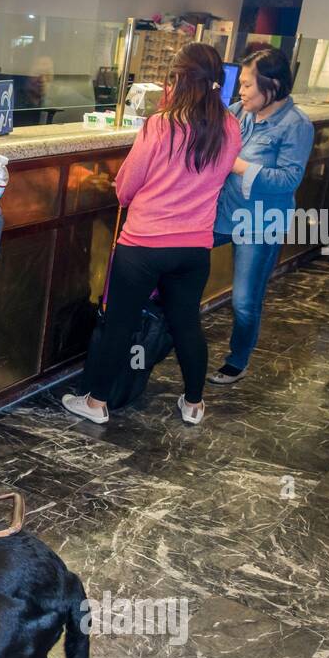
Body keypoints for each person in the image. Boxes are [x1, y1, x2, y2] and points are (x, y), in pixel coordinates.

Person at [63, 43, 241, 427]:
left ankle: (96, 403)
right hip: (194, 247)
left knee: (121, 323)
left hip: (143, 244)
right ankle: (193, 404)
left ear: (177, 78)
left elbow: (126, 187)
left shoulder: (161, 125)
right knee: (186, 322)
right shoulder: (230, 127)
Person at [208, 48, 314, 385]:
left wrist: (239, 166)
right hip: (224, 211)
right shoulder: (239, 112)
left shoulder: (296, 125)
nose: (240, 91)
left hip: (260, 222)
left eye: (248, 85)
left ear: (274, 85)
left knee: (244, 301)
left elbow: (288, 180)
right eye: (240, 84)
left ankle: (237, 360)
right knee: (179, 261)